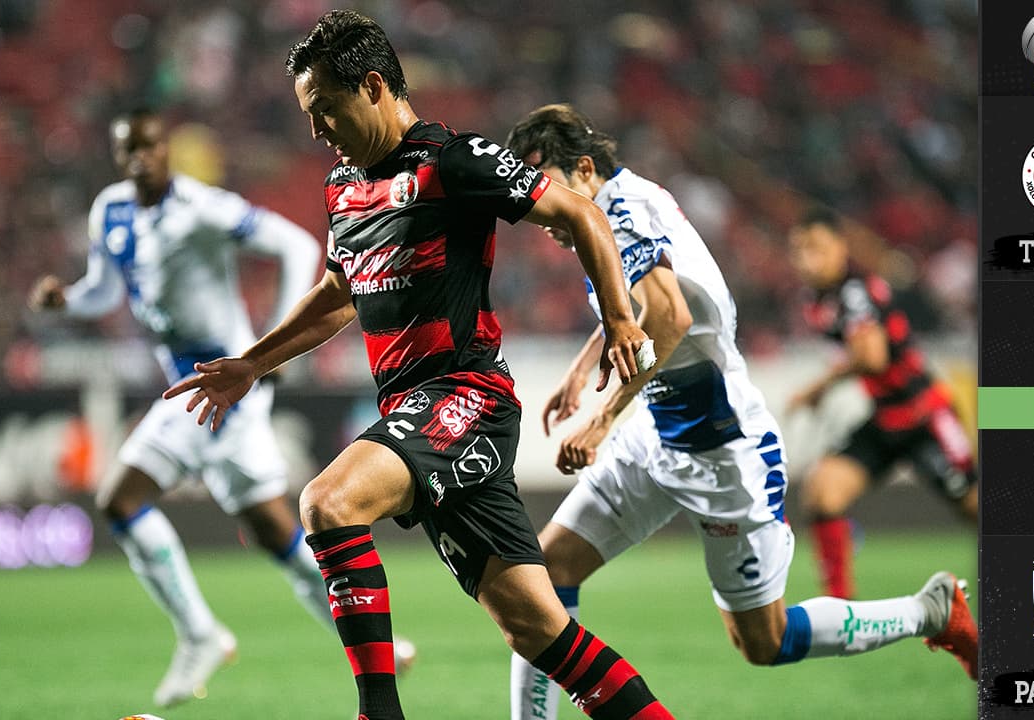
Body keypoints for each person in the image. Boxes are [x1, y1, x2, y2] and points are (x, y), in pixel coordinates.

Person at [163, 11, 674, 720]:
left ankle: (378, 712)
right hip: (416, 416)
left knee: (327, 502)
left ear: (373, 86)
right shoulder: (343, 187)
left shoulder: (453, 160)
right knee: (539, 630)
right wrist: (251, 364)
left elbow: (583, 216)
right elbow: (339, 295)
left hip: (466, 398)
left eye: (325, 109)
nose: (316, 130)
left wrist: (619, 316)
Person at [502, 105, 977, 720]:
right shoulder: (610, 206)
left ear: (586, 169)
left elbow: (668, 315)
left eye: (545, 186)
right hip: (657, 433)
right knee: (545, 576)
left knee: (764, 642)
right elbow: (636, 304)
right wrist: (580, 368)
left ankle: (930, 611)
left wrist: (601, 418)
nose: (539, 210)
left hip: (724, 449)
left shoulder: (623, 215)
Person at [28, 107, 413, 708]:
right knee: (274, 531)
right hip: (194, 384)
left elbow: (295, 245)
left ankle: (200, 634)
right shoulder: (112, 210)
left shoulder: (203, 208)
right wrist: (69, 301)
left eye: (150, 146)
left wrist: (272, 347)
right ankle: (381, 646)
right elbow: (106, 289)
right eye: (129, 149)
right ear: (117, 154)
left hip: (217, 384)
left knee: (120, 499)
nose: (140, 159)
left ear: (166, 149)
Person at [787, 208, 978, 600]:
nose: (808, 259)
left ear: (841, 247)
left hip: (925, 415)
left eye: (817, 248)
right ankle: (840, 608)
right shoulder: (818, 300)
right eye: (800, 250)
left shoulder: (853, 292)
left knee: (974, 506)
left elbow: (872, 357)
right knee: (823, 491)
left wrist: (819, 387)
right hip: (887, 418)